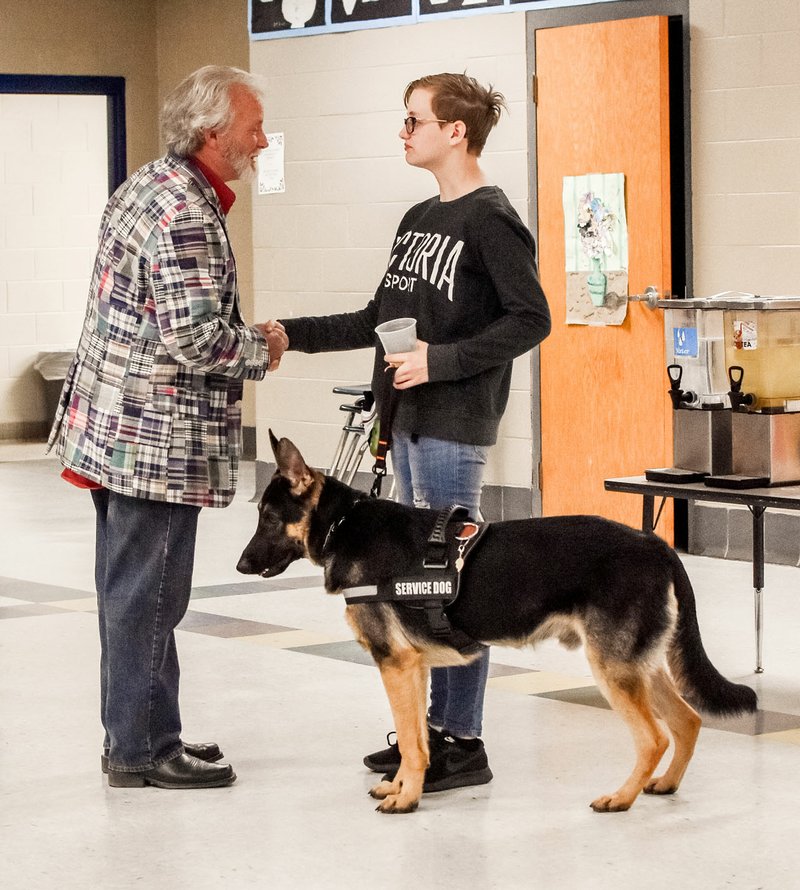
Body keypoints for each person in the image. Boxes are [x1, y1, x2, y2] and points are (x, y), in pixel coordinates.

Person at [276, 72, 551, 791]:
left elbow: (531, 319)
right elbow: (379, 315)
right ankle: (426, 731)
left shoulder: (491, 220)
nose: (403, 133)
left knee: (448, 579)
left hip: (453, 423)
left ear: (454, 131)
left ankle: (463, 738)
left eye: (413, 121)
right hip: (405, 421)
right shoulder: (419, 218)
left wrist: (442, 360)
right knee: (416, 579)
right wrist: (291, 334)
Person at [47, 65, 288, 789]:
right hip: (151, 438)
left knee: (136, 593)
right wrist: (263, 347)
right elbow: (193, 338)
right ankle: (139, 751)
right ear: (213, 132)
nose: (261, 138)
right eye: (252, 126)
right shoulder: (183, 210)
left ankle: (152, 732)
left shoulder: (151, 182)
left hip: (116, 428)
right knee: (148, 597)